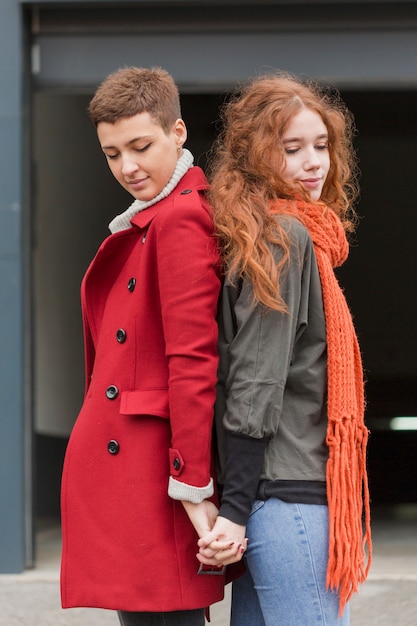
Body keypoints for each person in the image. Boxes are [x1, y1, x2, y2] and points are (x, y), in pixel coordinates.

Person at [197, 72, 372, 625]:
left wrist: (238, 507)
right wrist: (235, 508)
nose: (313, 162)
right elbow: (256, 375)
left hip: (269, 501)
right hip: (290, 498)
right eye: (292, 149)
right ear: (256, 157)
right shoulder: (286, 237)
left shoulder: (279, 236)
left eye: (321, 146)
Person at [60, 66, 228, 626]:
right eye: (112, 154)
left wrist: (192, 484)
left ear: (177, 132)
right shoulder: (149, 221)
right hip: (133, 467)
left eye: (141, 146)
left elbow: (193, 358)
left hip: (156, 473)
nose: (128, 167)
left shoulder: (180, 218)